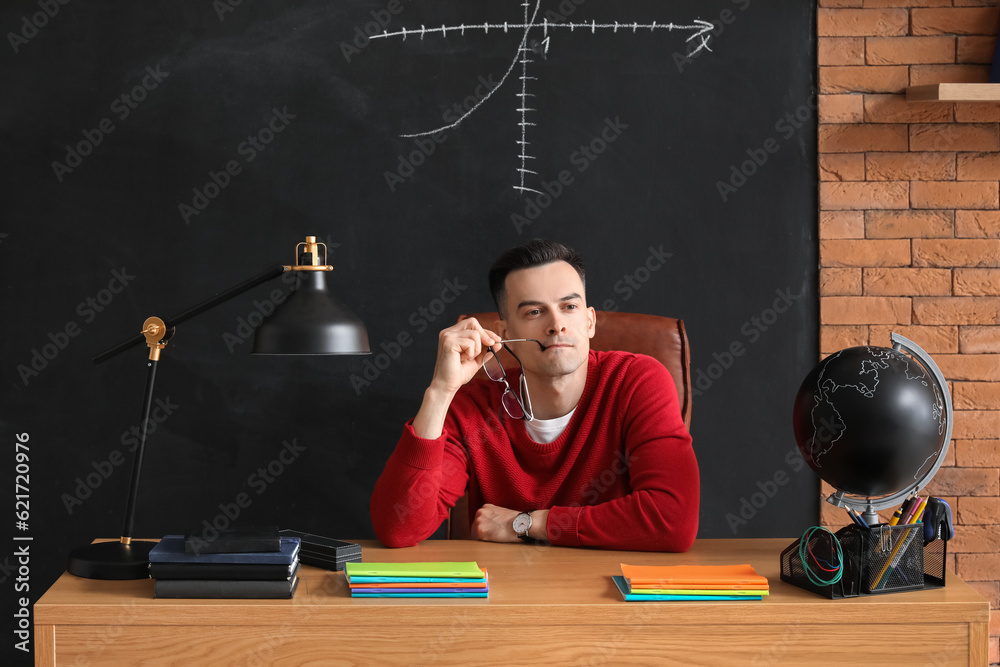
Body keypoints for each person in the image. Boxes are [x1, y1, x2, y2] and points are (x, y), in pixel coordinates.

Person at [370, 240, 699, 551]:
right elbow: (399, 528)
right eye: (534, 312)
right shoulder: (472, 406)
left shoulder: (637, 381)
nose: (556, 324)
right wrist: (440, 391)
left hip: (613, 598)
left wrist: (527, 524)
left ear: (589, 322)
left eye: (569, 306)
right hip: (505, 599)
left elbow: (673, 519)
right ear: (504, 333)